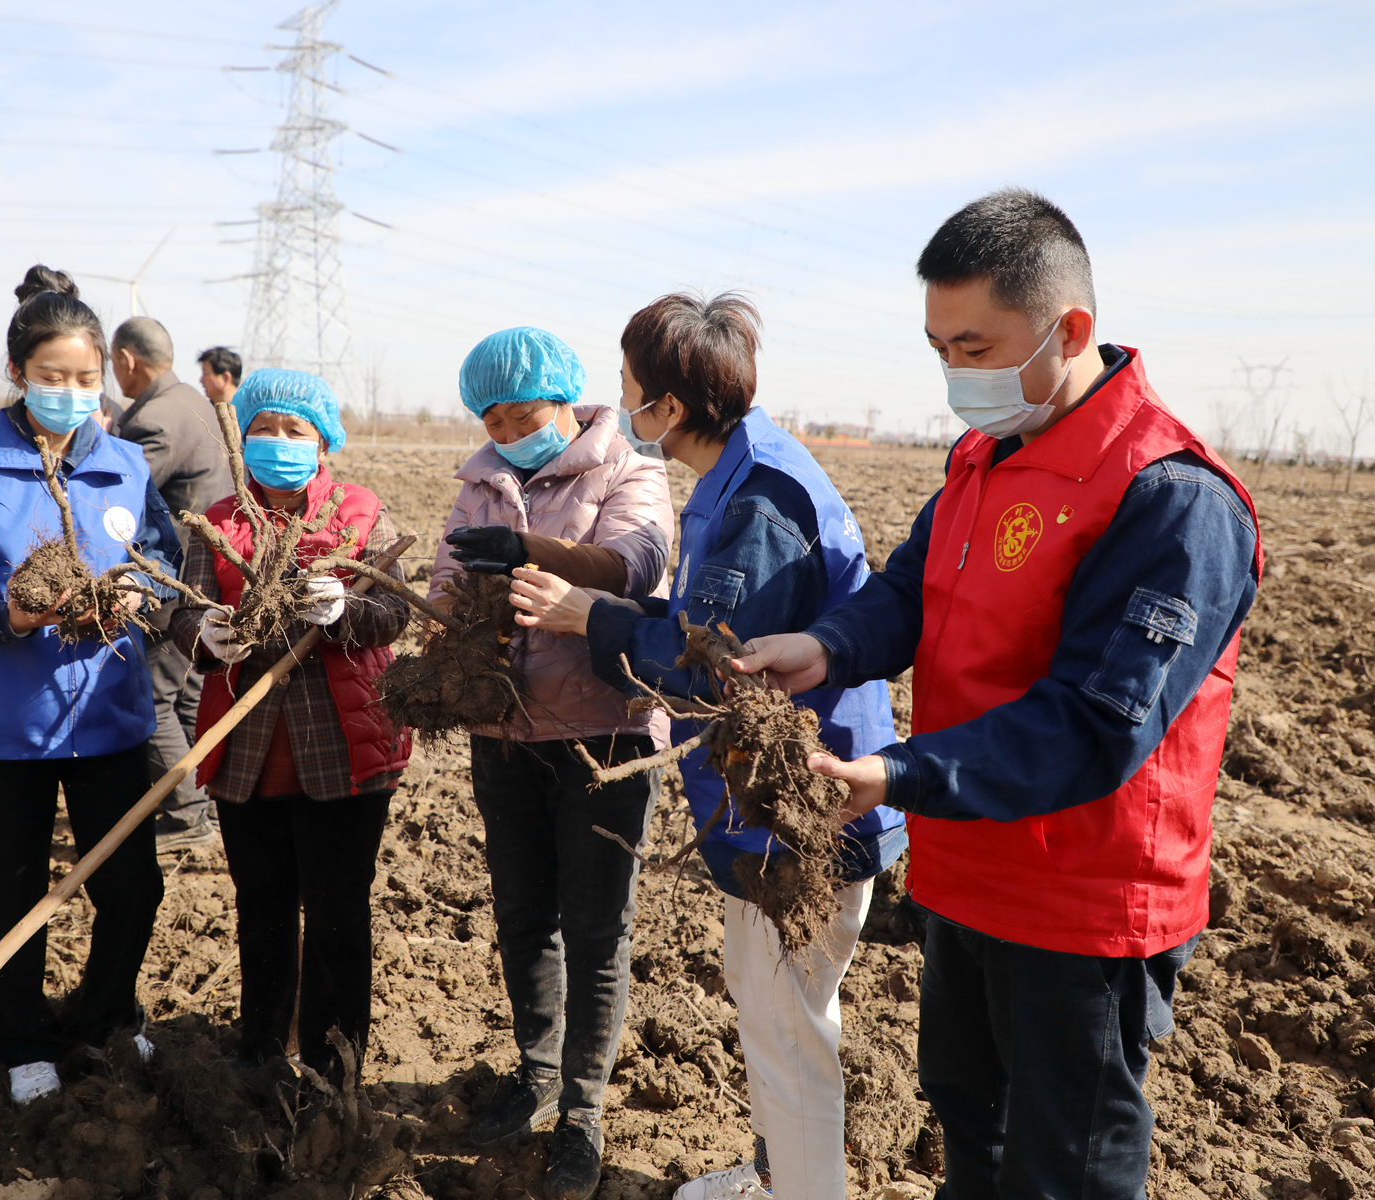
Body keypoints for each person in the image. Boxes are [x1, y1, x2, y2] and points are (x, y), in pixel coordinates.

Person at [730, 190, 1263, 1200]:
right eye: (939, 349)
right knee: (969, 1124)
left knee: (1064, 1169)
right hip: (964, 873)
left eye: (976, 348)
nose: (955, 379)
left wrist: (893, 773)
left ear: (1069, 331)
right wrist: (825, 646)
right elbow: (907, 593)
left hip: (1081, 902)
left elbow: (1097, 724)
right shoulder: (981, 458)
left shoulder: (1169, 498)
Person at [508, 294, 905, 1200]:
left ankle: (802, 1192)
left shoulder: (760, 501)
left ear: (670, 409)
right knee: (775, 1007)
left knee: (787, 1028)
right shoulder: (744, 470)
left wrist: (591, 617)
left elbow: (716, 669)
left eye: (628, 393)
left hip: (800, 812)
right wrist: (605, 612)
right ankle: (777, 1176)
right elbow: (704, 626)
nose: (622, 408)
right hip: (775, 809)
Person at [0, 265, 180, 1106]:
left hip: (108, 713)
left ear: (106, 377)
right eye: (52, 377)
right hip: (8, 721)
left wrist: (145, 588)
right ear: (20, 374)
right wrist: (11, 617)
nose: (70, 392)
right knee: (16, 886)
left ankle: (99, 1018)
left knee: (133, 887)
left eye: (86, 379)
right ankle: (21, 1036)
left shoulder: (126, 468)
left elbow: (166, 560)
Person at [431, 327, 673, 1200]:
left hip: (600, 739)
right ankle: (536, 1076)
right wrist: (459, 621)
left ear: (565, 400)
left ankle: (583, 1110)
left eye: (524, 412)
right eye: (492, 417)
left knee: (597, 927)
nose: (507, 428)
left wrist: (531, 554)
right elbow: (446, 590)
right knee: (524, 914)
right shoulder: (479, 484)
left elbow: (635, 565)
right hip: (503, 733)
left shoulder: (629, 471)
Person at [169, 369, 412, 1084]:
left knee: (338, 915)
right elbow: (184, 608)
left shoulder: (361, 514)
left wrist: (346, 611)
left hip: (345, 749)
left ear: (322, 440)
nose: (277, 443)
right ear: (241, 437)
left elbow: (394, 612)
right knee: (262, 912)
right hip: (247, 749)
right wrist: (203, 634)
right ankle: (260, 1051)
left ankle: (334, 1066)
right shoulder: (218, 521)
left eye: (294, 431)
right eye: (263, 429)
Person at [110, 317, 229, 853]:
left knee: (152, 700)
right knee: (187, 699)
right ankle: (204, 804)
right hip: (210, 580)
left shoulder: (154, 419)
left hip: (171, 583)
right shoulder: (196, 402)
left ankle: (186, 817)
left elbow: (117, 500)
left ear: (127, 360)